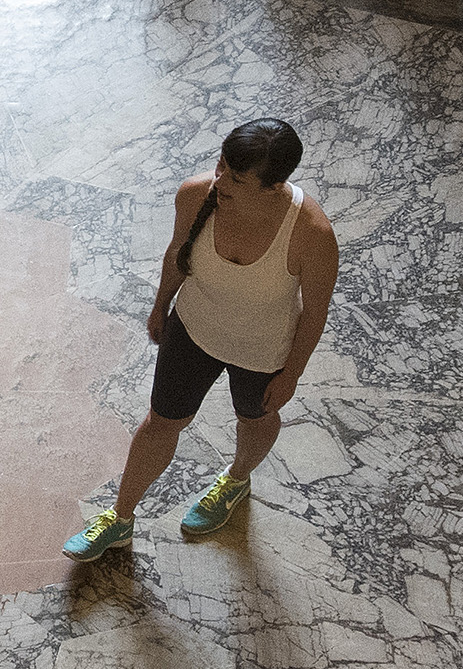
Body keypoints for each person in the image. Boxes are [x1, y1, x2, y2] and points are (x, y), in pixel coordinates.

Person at [65, 117, 337, 556]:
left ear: (273, 186)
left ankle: (235, 480)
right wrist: (160, 306)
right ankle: (119, 518)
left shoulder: (312, 235)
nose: (220, 179)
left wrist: (291, 377)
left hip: (262, 352)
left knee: (254, 419)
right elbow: (177, 253)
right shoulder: (196, 195)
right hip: (193, 330)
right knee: (160, 423)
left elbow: (315, 312)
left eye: (235, 177)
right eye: (222, 164)